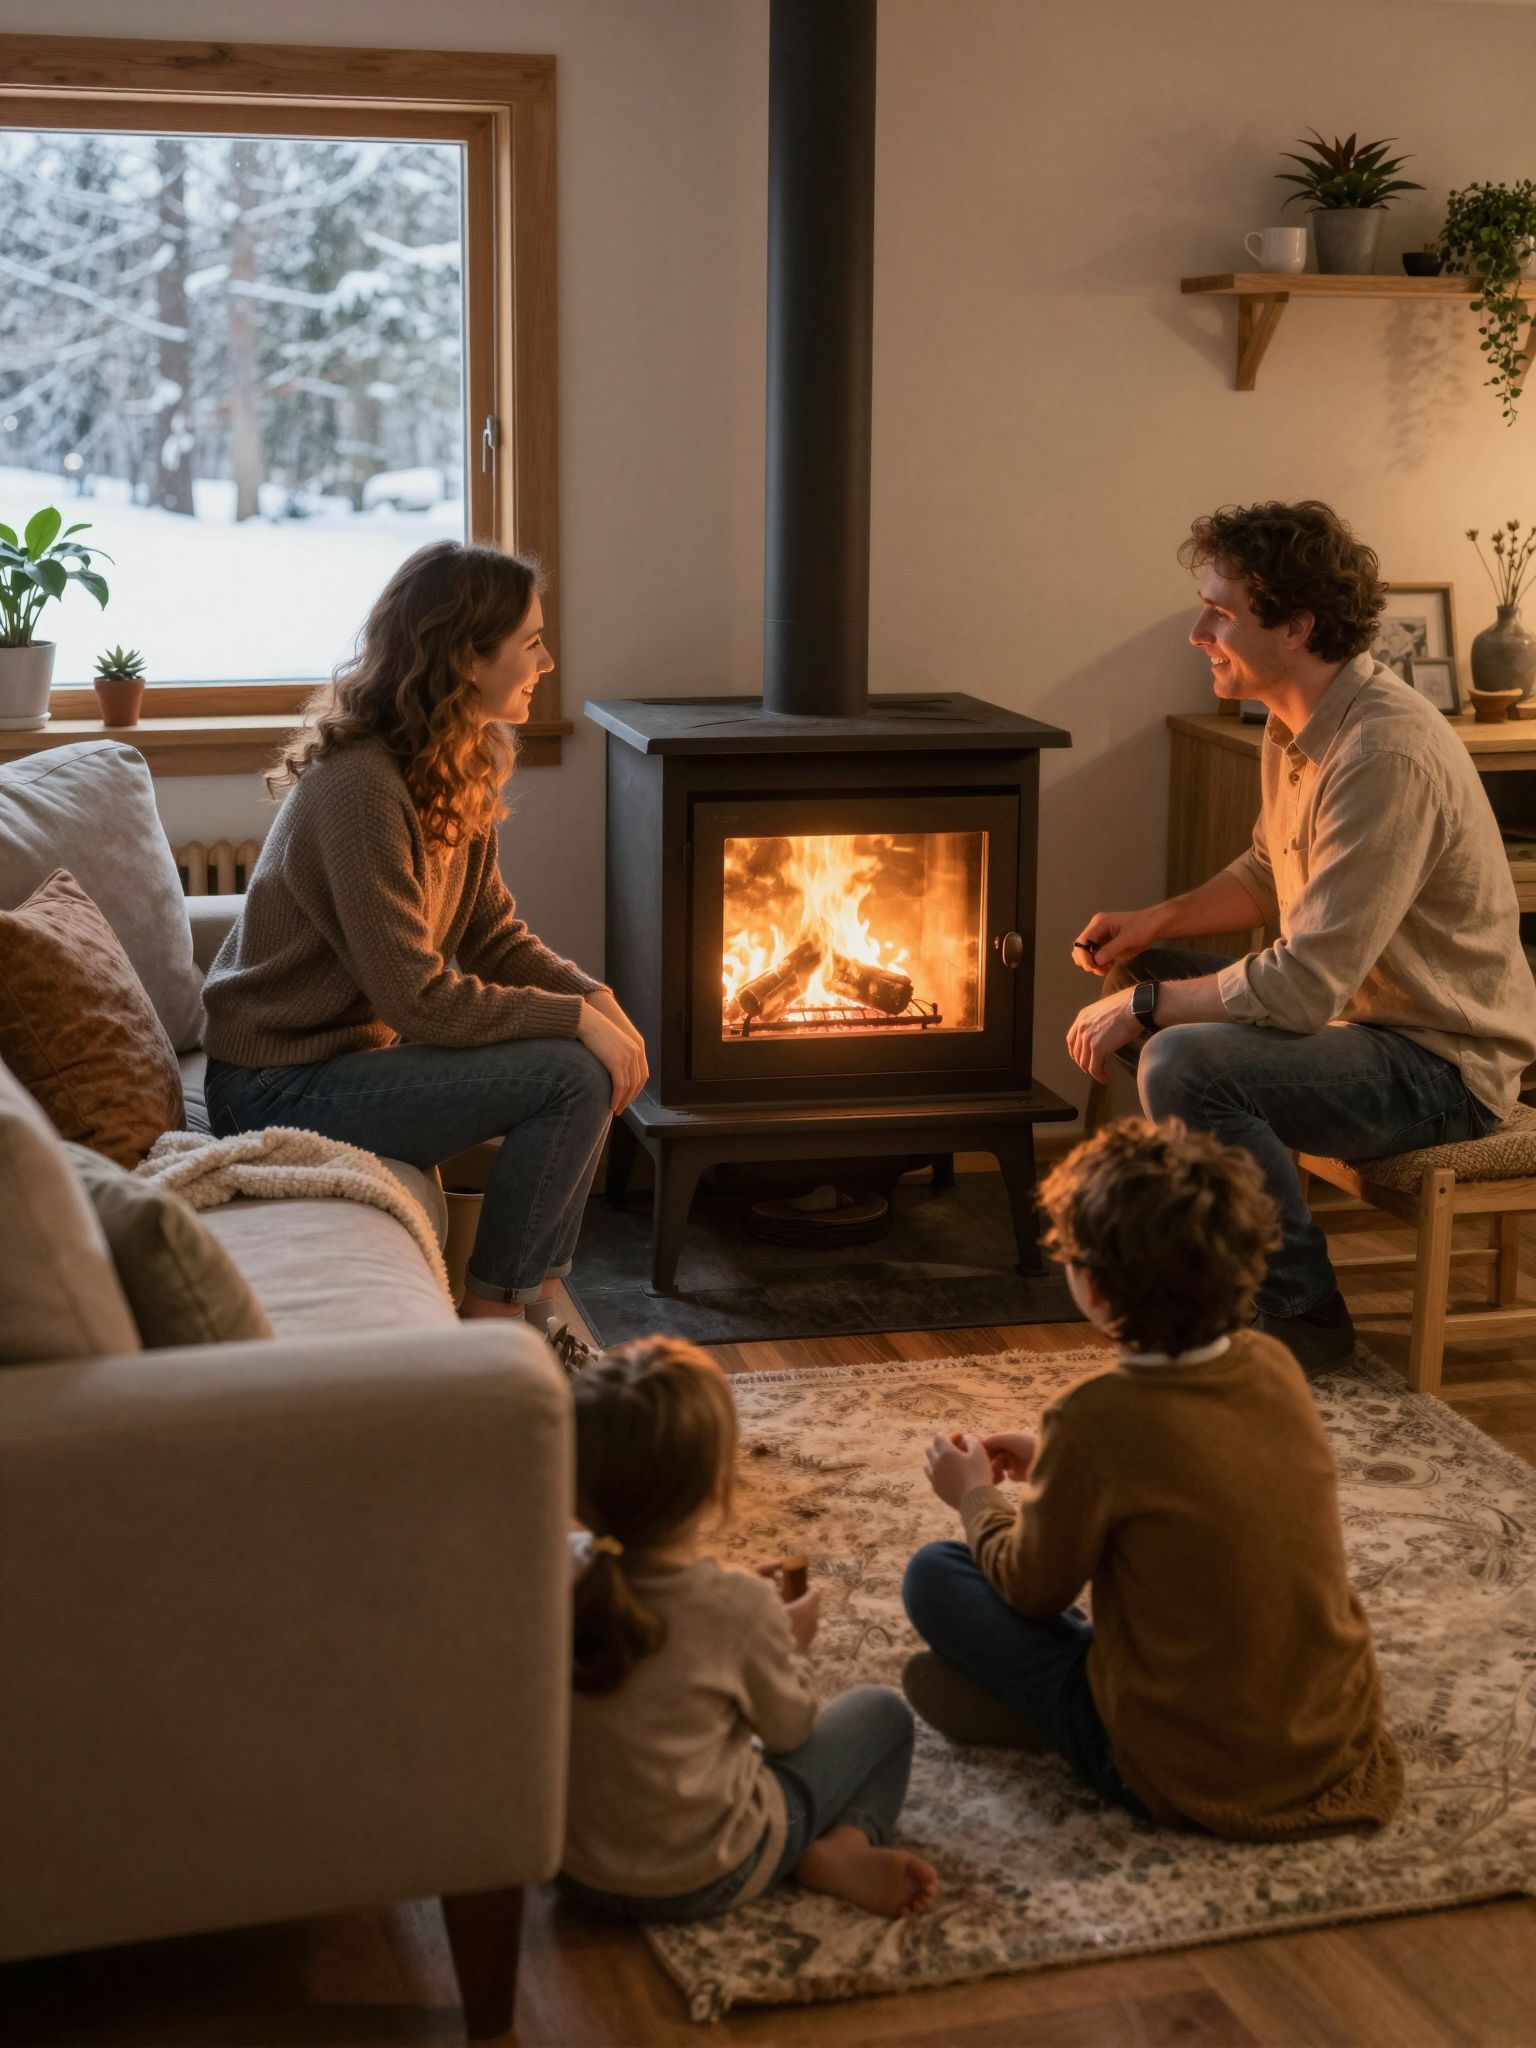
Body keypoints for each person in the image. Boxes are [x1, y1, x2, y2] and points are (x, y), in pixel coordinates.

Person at [1067, 499, 1536, 1371]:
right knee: (1145, 979)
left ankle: (1299, 1312)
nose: (1199, 633)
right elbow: (1265, 869)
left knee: (1181, 1060)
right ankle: (1215, 1260)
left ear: (1297, 626)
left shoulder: (1382, 753)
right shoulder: (1293, 724)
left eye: (1221, 613)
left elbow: (1302, 986)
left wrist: (1148, 1006)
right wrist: (1152, 926)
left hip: (1441, 1063)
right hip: (1362, 1022)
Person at [903, 1116, 1403, 1841]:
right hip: (1330, 1734)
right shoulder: (1274, 1366)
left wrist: (973, 1494)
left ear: (1095, 1288)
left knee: (935, 1574)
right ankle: (1038, 1703)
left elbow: (1032, 1589)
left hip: (1182, 1762)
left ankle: (1051, 1719)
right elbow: (1191, 1473)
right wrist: (1055, 1463)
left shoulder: (1093, 1417)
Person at [202, 541, 647, 1345]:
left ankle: (536, 1311)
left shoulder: (450, 765)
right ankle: (495, 1327)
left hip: (339, 1065)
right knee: (569, 1073)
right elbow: (417, 998)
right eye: (530, 643)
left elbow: (490, 934)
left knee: (588, 1057)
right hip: (273, 1085)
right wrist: (573, 1021)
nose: (547, 662)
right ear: (467, 657)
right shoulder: (360, 787)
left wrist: (593, 996)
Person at [560, 1336, 938, 1922]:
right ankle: (841, 1847)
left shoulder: (556, 1573)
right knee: (883, 1715)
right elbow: (789, 1732)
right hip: (705, 1874)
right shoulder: (738, 1607)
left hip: (573, 1868)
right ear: (716, 1487)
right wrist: (790, 1644)